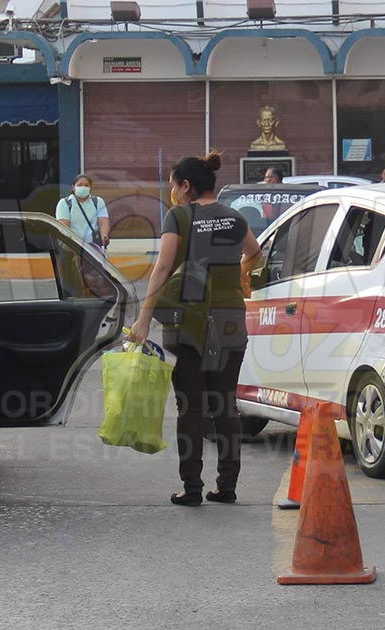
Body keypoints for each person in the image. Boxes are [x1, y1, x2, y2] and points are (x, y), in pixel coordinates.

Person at [128, 151, 262, 507]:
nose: (172, 191)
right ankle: (227, 486)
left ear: (185, 186)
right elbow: (255, 251)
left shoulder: (179, 216)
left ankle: (191, 488)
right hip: (231, 319)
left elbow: (162, 268)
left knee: (190, 407)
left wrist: (143, 319)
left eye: (173, 185)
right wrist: (240, 274)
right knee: (225, 405)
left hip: (189, 321)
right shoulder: (234, 217)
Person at [55, 174, 110, 251]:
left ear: (90, 188)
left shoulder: (98, 202)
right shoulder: (65, 203)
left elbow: (103, 222)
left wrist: (104, 236)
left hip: (93, 248)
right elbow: (64, 226)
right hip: (71, 248)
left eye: (86, 185)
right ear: (73, 187)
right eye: (80, 185)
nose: (83, 187)